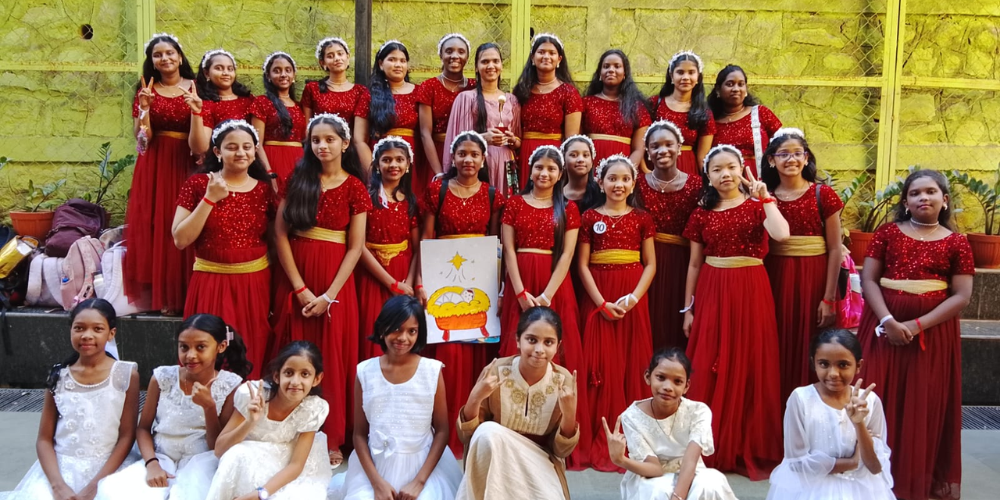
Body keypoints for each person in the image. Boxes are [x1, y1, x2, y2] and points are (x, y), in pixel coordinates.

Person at [856, 169, 974, 500]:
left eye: (931, 192)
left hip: (932, 334)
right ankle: (867, 474)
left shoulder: (957, 242)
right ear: (905, 202)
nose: (923, 197)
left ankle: (910, 476)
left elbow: (962, 296)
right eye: (915, 193)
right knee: (876, 395)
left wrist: (916, 325)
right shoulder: (887, 233)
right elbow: (868, 280)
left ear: (944, 200)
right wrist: (889, 320)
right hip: (882, 327)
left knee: (922, 401)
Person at [681, 145, 788, 479]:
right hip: (713, 287)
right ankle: (706, 443)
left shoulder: (759, 205)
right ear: (708, 176)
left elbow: (782, 234)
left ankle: (745, 444)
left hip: (751, 287)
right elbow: (694, 263)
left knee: (750, 361)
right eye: (717, 169)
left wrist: (765, 197)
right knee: (709, 361)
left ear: (743, 168)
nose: (725, 174)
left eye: (731, 167)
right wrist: (688, 308)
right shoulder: (701, 213)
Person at [271, 113, 372, 465]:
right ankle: (287, 430)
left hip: (336, 283)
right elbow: (280, 235)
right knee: (293, 352)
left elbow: (356, 247)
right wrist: (300, 288)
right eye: (316, 140)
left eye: (329, 139)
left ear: (344, 144)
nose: (322, 146)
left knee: (333, 355)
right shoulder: (298, 180)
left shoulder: (355, 187)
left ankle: (331, 436)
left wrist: (329, 295)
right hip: (296, 275)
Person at [498, 145, 591, 468]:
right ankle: (513, 431)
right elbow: (508, 249)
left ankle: (553, 434)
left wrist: (548, 294)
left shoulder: (568, 209)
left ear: (560, 173)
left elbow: (567, 254)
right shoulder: (514, 204)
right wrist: (520, 292)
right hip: (520, 280)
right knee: (517, 349)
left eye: (551, 168)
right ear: (530, 169)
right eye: (539, 167)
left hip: (555, 284)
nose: (544, 173)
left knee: (556, 351)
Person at [96, 314, 250, 500]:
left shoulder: (231, 386)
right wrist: (152, 463)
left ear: (221, 346)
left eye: (201, 347)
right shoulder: (162, 378)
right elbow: (143, 428)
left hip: (202, 462)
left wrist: (209, 407)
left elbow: (216, 446)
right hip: (160, 458)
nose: (190, 355)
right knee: (114, 492)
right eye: (184, 347)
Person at [421, 130, 506, 454]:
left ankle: (474, 422)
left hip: (479, 281)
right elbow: (427, 238)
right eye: (462, 154)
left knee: (475, 347)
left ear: (483, 160)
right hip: (443, 279)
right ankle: (443, 425)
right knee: (449, 348)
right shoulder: (438, 190)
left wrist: (496, 288)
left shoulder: (492, 195)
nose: (468, 159)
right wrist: (423, 281)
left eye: (474, 154)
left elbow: (495, 244)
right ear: (452, 157)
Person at [172, 119, 275, 379]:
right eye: (232, 147)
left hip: (253, 284)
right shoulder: (198, 185)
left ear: (255, 151)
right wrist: (210, 198)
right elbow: (180, 239)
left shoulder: (265, 191)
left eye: (247, 147)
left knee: (250, 353)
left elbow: (276, 241)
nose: (240, 152)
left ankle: (245, 403)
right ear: (217, 151)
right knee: (206, 351)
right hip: (210, 280)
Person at [334, 296, 462, 500]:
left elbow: (442, 431)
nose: (403, 338)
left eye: (412, 331)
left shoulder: (431, 371)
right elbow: (359, 435)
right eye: (396, 329)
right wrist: (377, 484)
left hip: (423, 467)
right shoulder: (365, 372)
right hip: (374, 468)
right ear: (382, 328)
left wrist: (419, 482)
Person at [11, 299, 140, 499]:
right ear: (70, 330)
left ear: (111, 333)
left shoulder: (125, 374)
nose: (87, 335)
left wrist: (96, 485)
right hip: (61, 470)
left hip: (109, 469)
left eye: (97, 329)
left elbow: (127, 436)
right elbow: (44, 439)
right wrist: (57, 486)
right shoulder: (59, 376)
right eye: (79, 328)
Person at [578, 154, 656, 472]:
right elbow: (582, 264)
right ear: (600, 182)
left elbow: (650, 264)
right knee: (598, 365)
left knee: (630, 360)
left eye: (625, 179)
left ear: (633, 184)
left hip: (631, 296)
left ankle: (633, 435)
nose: (619, 184)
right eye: (612, 178)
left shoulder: (643, 218)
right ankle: (601, 430)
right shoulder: (588, 218)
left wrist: (633, 298)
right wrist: (601, 303)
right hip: (599, 294)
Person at [455, 307, 579, 500]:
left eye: (548, 342)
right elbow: (470, 438)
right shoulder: (496, 371)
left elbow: (561, 451)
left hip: (540, 462)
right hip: (498, 459)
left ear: (558, 345)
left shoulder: (564, 380)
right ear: (518, 340)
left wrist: (569, 415)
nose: (539, 350)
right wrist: (475, 398)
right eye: (532, 340)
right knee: (488, 432)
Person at [761, 128, 844, 404]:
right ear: (771, 159)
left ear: (806, 158)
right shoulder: (764, 196)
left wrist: (829, 298)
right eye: (783, 154)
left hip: (813, 280)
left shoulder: (823, 194)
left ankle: (816, 411)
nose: (791, 159)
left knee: (812, 344)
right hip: (774, 277)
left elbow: (835, 249)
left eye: (798, 153)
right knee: (776, 343)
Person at [768, 329, 895, 500]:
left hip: (860, 491)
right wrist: (852, 462)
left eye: (843, 365)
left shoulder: (869, 401)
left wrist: (859, 424)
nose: (833, 373)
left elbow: (875, 467)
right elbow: (797, 463)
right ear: (814, 363)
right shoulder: (801, 398)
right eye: (824, 364)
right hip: (811, 491)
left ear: (859, 366)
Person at [124, 33, 198, 314]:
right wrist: (145, 108)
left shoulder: (196, 86)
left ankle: (191, 291)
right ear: (152, 61)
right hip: (156, 163)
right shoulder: (146, 90)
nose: (165, 58)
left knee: (187, 221)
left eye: (169, 53)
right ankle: (165, 295)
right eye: (158, 55)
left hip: (189, 160)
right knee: (160, 223)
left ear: (180, 56)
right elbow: (142, 139)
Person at [206, 341, 332, 500]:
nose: (295, 382)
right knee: (236, 454)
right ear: (276, 376)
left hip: (286, 464)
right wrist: (250, 422)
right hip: (247, 460)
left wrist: (260, 494)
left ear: (317, 379)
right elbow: (219, 450)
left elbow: (296, 465)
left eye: (305, 374)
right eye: (288, 373)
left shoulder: (313, 408)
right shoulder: (252, 396)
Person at [608, 348, 737, 500]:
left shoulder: (698, 411)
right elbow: (654, 469)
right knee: (659, 491)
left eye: (677, 381)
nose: (668, 387)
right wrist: (620, 460)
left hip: (691, 471)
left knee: (711, 484)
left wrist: (677, 497)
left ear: (686, 386)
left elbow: (690, 460)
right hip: (651, 476)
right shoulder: (632, 417)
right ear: (648, 377)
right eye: (661, 377)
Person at [637, 121, 701, 351]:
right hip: (646, 262)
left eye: (668, 144)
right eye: (655, 146)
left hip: (684, 263)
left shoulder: (697, 185)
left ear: (679, 147)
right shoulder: (637, 184)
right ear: (648, 151)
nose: (662, 150)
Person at [357, 136, 421, 360]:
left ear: (408, 165)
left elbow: (417, 248)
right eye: (387, 160)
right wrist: (390, 283)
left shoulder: (411, 201)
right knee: (373, 327)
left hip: (402, 272)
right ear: (376, 164)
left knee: (401, 327)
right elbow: (358, 246)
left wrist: (407, 283)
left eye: (399, 160)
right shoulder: (365, 198)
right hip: (372, 274)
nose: (393, 165)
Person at [443, 42, 521, 194]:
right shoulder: (466, 98)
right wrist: (483, 138)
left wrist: (512, 140)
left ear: (501, 66)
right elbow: (456, 141)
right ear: (476, 68)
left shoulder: (512, 100)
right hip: (476, 165)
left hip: (506, 164)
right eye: (485, 61)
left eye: (495, 61)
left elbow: (519, 141)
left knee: (505, 206)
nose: (491, 66)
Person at [513, 33, 582, 189]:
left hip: (554, 155)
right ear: (532, 57)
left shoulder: (569, 93)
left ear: (559, 59)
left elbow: (571, 139)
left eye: (552, 53)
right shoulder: (521, 90)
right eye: (541, 52)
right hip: (525, 153)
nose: (546, 56)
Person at [301, 37, 373, 166]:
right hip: (320, 151)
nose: (337, 58)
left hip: (348, 152)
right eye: (330, 56)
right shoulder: (312, 89)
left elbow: (360, 133)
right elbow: (307, 129)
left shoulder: (360, 91)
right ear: (323, 62)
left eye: (340, 54)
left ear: (348, 57)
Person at [369, 41, 426, 195]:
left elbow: (425, 132)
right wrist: (371, 168)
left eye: (402, 60)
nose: (398, 65)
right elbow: (360, 139)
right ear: (381, 64)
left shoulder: (419, 92)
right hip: (381, 158)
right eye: (392, 60)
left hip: (412, 156)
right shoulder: (370, 94)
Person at [418, 33, 477, 178]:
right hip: (436, 153)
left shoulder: (474, 87)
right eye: (449, 51)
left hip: (468, 154)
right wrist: (438, 172)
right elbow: (425, 133)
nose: (455, 56)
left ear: (467, 57)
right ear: (441, 55)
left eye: (461, 52)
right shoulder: (429, 86)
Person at [708, 65, 782, 178]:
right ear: (718, 89)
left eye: (741, 84)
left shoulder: (760, 113)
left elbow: (784, 145)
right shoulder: (711, 121)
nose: (736, 89)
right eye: (730, 84)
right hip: (726, 182)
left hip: (761, 180)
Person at [582, 49, 651, 166]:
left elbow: (638, 150)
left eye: (617, 66)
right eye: (606, 66)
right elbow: (577, 141)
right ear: (599, 73)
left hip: (625, 168)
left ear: (625, 73)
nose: (611, 70)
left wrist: (626, 171)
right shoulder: (586, 103)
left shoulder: (636, 107)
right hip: (590, 167)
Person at [649, 51, 714, 175]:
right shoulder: (654, 104)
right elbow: (642, 142)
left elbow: (703, 156)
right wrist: (645, 171)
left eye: (691, 72)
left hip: (687, 168)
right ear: (671, 75)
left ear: (698, 77)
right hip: (656, 166)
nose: (685, 77)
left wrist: (708, 181)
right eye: (680, 72)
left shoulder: (703, 112)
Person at [249, 51, 306, 186]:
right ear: (268, 76)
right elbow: (256, 143)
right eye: (277, 71)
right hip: (272, 160)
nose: (283, 75)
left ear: (294, 75)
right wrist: (268, 171)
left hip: (299, 163)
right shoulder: (262, 102)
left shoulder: (299, 106)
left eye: (288, 70)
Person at [190, 49, 255, 156]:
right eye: (219, 68)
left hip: (247, 158)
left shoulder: (249, 100)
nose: (225, 73)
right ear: (207, 73)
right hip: (221, 160)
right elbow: (201, 148)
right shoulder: (207, 105)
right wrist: (196, 112)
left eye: (230, 69)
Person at [561, 135, 601, 213]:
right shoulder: (557, 194)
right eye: (573, 155)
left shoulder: (601, 190)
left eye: (585, 155)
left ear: (592, 161)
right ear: (564, 161)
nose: (580, 160)